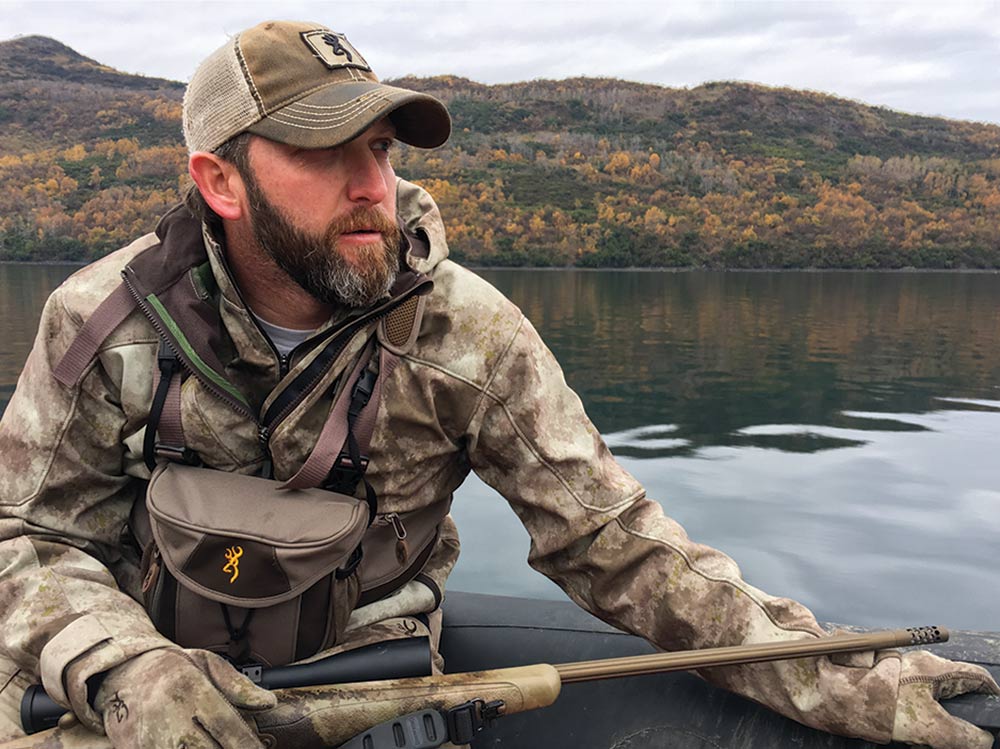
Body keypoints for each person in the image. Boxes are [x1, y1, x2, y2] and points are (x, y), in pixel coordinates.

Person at [0, 19, 995, 749]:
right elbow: (28, 534)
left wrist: (838, 680)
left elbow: (617, 543)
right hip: (132, 675)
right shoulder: (103, 321)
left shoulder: (465, 331)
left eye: (381, 148)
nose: (371, 183)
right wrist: (123, 666)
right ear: (220, 182)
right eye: (322, 149)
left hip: (369, 674)